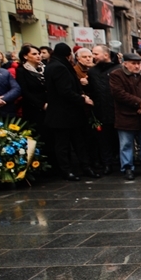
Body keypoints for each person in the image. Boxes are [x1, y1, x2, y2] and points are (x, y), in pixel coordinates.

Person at [44, 43, 95, 180]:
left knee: (74, 143)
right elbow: (65, 91)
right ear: (68, 55)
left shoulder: (52, 65)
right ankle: (69, 170)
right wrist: (82, 99)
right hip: (65, 114)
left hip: (65, 114)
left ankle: (81, 167)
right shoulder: (60, 67)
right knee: (66, 144)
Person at [109, 53, 141, 180]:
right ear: (125, 64)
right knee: (126, 144)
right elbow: (119, 93)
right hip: (126, 116)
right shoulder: (117, 75)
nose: (137, 66)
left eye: (139, 63)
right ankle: (127, 168)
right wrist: (139, 103)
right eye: (133, 63)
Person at [87, 46, 120, 174]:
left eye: (95, 53)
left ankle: (120, 161)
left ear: (106, 55)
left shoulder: (117, 69)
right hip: (100, 111)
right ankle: (107, 164)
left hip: (117, 110)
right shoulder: (92, 72)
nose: (93, 56)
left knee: (118, 139)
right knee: (103, 140)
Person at [15, 45, 47, 131]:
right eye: (34, 54)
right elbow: (25, 91)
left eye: (39, 53)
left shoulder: (45, 68)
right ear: (25, 56)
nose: (38, 56)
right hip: (33, 108)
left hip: (49, 106)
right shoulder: (21, 71)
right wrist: (41, 104)